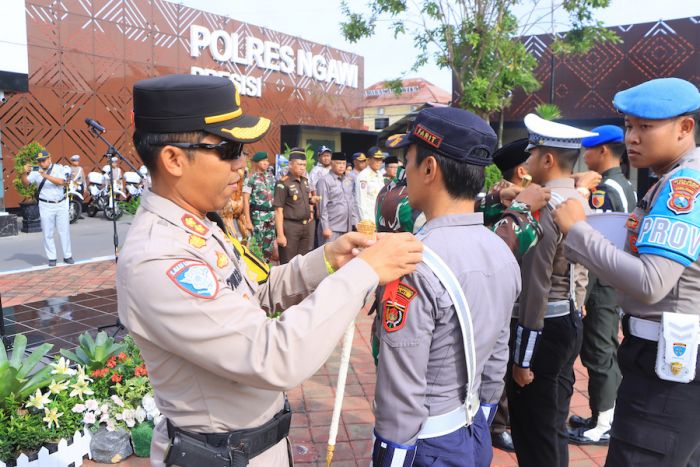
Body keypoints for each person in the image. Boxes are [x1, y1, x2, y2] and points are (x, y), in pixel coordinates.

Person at [117, 74, 424, 467]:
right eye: (228, 149)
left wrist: (330, 258)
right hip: (218, 454)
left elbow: (258, 289)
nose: (241, 164)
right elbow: (274, 355)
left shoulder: (198, 225)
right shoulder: (158, 259)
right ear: (174, 159)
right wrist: (363, 272)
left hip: (251, 447)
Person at [552, 77, 700, 466]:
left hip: (666, 370)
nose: (631, 137)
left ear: (685, 128)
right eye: (630, 126)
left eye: (645, 127)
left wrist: (577, 230)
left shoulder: (682, 187)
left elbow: (651, 283)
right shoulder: (667, 181)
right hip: (666, 362)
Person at [372, 106, 522, 466]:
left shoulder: (413, 263)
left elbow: (401, 392)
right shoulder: (501, 250)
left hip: (427, 443)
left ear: (429, 168)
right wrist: (480, 424)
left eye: (407, 162)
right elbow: (497, 357)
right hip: (471, 432)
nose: (403, 174)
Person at [507, 113, 595, 467]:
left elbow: (535, 283)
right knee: (553, 425)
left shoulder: (543, 209)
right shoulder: (575, 200)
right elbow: (582, 271)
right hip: (567, 319)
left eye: (530, 154)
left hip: (541, 329)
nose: (525, 162)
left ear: (547, 159)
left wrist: (522, 358)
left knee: (533, 433)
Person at [568, 125, 637, 446]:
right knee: (602, 348)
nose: (585, 155)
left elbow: (597, 244)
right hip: (611, 280)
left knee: (598, 351)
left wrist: (583, 292)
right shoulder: (623, 184)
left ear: (603, 151)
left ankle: (605, 423)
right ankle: (601, 415)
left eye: (589, 150)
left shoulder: (606, 190)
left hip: (602, 283)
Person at [487, 137, 531, 453]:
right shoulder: (502, 202)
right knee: (500, 360)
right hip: (502, 296)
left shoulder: (513, 197)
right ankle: (498, 425)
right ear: (521, 170)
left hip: (515, 293)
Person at [21, 150, 74, 266]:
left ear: (49, 158)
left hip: (60, 203)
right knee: (47, 232)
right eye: (39, 161)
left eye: (43, 160)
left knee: (64, 231)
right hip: (45, 205)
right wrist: (24, 173)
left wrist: (44, 175)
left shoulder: (58, 168)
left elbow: (61, 182)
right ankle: (52, 258)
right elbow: (26, 183)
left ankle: (67, 255)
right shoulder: (36, 172)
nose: (41, 163)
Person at [274, 148, 314, 264]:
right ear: (290, 164)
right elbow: (278, 211)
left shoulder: (305, 181)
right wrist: (280, 235)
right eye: (299, 164)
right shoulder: (283, 183)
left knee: (303, 262)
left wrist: (311, 210)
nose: (302, 167)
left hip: (305, 227)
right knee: (288, 263)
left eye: (304, 165)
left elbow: (307, 200)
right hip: (290, 228)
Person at [316, 152, 357, 244]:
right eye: (338, 163)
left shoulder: (349, 179)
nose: (342, 166)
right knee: (328, 256)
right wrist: (325, 227)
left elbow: (352, 202)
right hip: (332, 227)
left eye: (343, 163)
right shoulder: (324, 180)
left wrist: (355, 222)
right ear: (331, 163)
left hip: (347, 227)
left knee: (344, 256)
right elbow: (322, 206)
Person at [243, 151, 276, 261]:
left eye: (267, 160)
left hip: (271, 217)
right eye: (263, 161)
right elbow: (246, 199)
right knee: (257, 246)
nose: (266, 163)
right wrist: (247, 220)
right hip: (258, 218)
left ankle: (266, 268)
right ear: (257, 163)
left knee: (269, 247)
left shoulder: (271, 177)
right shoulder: (250, 179)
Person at [355, 146, 385, 222]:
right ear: (368, 160)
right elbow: (360, 201)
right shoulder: (363, 176)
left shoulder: (380, 174)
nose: (379, 162)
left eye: (380, 159)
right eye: (376, 159)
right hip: (369, 219)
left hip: (380, 217)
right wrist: (365, 221)